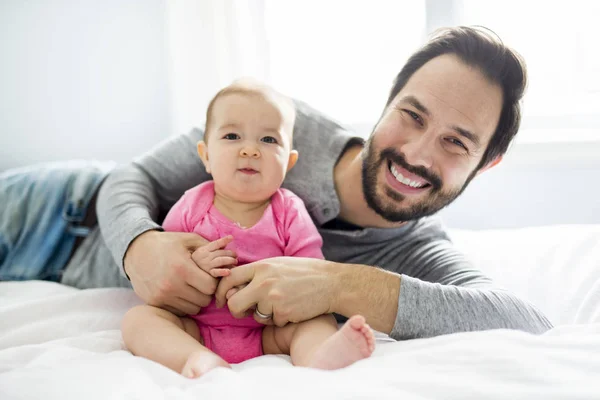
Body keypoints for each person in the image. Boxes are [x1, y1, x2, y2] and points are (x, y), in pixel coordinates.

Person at [0, 26, 553, 341]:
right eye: (411, 114)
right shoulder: (283, 126)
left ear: (485, 164)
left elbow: (525, 322)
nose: (416, 151)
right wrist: (139, 247)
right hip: (58, 210)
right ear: (385, 105)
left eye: (456, 143)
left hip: (68, 277)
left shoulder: (417, 254)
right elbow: (132, 177)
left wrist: (342, 284)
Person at [121, 80, 376, 377]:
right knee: (138, 320)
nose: (250, 150)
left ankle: (319, 356)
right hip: (196, 327)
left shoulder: (290, 211)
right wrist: (196, 264)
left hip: (270, 332)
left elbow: (312, 274)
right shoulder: (191, 205)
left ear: (289, 162)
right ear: (205, 155)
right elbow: (167, 264)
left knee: (317, 320)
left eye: (269, 140)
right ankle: (194, 359)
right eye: (232, 136)